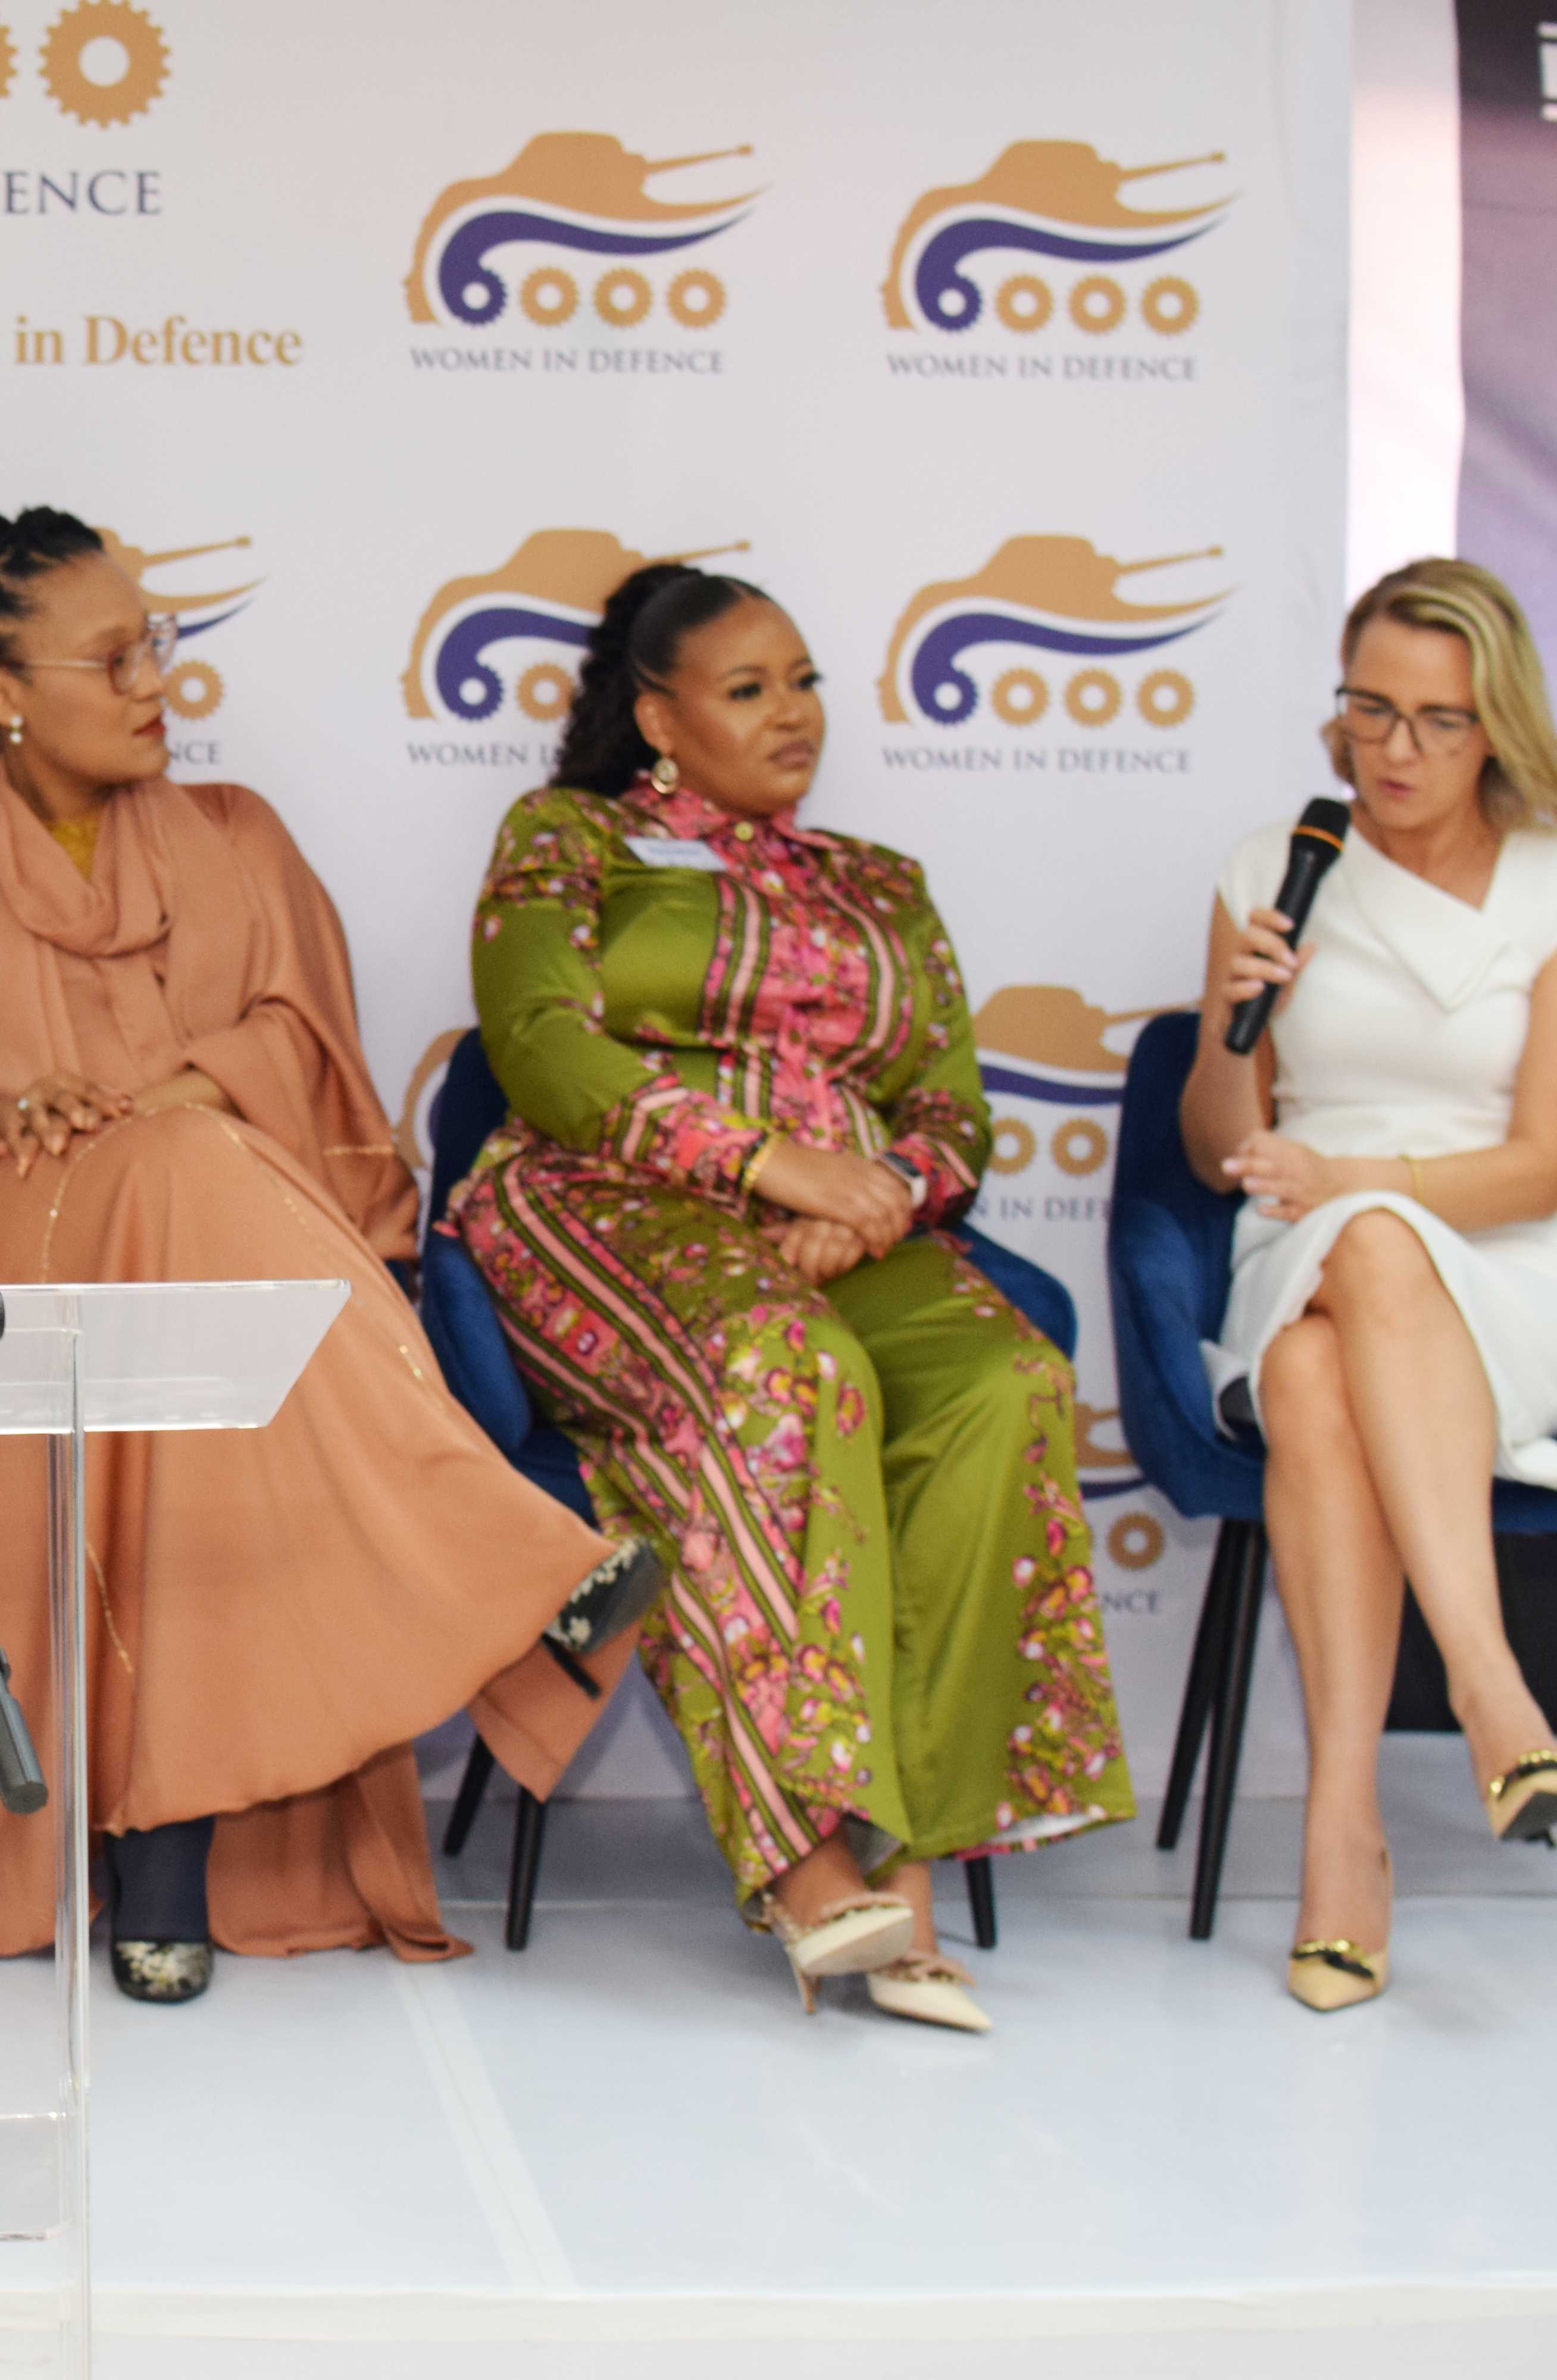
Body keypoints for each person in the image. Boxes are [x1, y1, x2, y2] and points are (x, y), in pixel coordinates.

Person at [0, 496, 659, 2005]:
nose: (156, 681)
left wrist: (169, 1103)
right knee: (184, 1207)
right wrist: (3, 1112)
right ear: (2, 692)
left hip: (216, 1256)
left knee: (195, 1253)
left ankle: (165, 1847)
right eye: (113, 660)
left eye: (153, 643)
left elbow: (315, 1064)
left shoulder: (241, 844)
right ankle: (514, 1582)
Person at [455, 562, 1133, 2034]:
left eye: (808, 681)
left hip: (841, 1230)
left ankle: (909, 1846)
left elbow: (950, 1104)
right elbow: (542, 1044)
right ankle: (806, 1857)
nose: (794, 713)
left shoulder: (881, 881)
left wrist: (869, 1190)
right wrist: (766, 1165)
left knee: (1003, 1380)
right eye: (750, 687)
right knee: (780, 1363)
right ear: (658, 717)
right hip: (603, 1204)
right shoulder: (570, 838)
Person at [1182, 556, 1557, 2013]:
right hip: (1303, 1234)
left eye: (1439, 721)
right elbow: (1217, 1151)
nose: (1396, 750)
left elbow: (1544, 1167)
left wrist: (1360, 1179)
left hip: (1505, 1257)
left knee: (1339, 1318)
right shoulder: (1275, 866)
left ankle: (1355, 1820)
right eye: (1370, 709)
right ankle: (1487, 1692)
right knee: (1323, 1326)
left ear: (1495, 724)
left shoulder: (1550, 882)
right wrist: (1235, 1025)